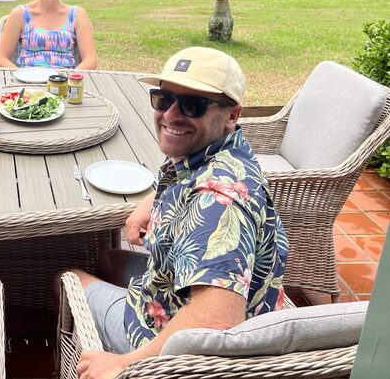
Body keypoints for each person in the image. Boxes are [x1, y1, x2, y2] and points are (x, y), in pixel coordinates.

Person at [67, 47, 288, 379]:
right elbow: (181, 174)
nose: (170, 115)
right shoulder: (215, 150)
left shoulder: (218, 201)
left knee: (66, 277)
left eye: (192, 105)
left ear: (231, 114)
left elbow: (216, 320)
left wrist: (124, 364)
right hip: (179, 289)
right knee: (108, 259)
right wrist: (150, 201)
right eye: (163, 98)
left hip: (162, 337)